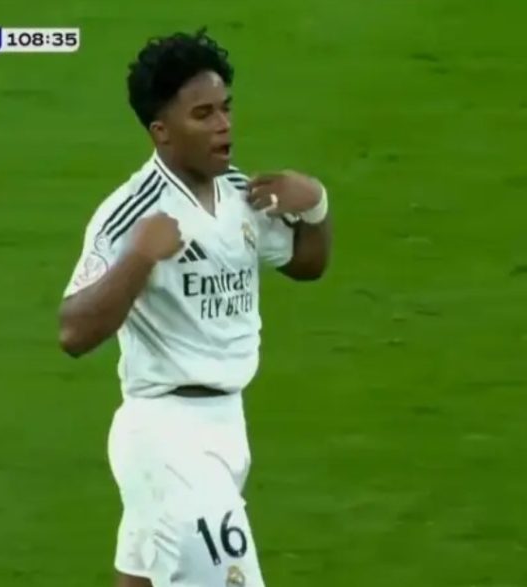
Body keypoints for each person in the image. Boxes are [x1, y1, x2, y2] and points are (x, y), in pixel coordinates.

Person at [58, 28, 332, 587]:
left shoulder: (241, 194)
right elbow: (73, 332)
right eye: (203, 114)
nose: (223, 124)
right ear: (161, 131)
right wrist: (140, 257)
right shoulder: (130, 212)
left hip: (228, 426)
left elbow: (306, 264)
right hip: (168, 438)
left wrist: (316, 207)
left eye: (226, 108)